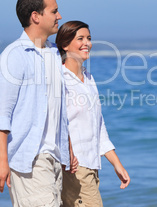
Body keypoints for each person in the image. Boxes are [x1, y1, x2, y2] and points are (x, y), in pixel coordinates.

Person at [0, 0, 78, 207]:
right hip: (29, 159)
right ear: (35, 16)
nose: (60, 16)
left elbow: (58, 110)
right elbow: (1, 112)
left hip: (55, 159)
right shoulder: (14, 57)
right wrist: (1, 160)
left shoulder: (55, 54)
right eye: (54, 11)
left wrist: (68, 149)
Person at [55, 20, 130, 207]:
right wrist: (68, 155)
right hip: (73, 166)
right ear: (65, 44)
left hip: (92, 165)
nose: (86, 43)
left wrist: (116, 164)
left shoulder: (88, 78)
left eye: (88, 38)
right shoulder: (60, 79)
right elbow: (58, 123)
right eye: (80, 38)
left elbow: (98, 126)